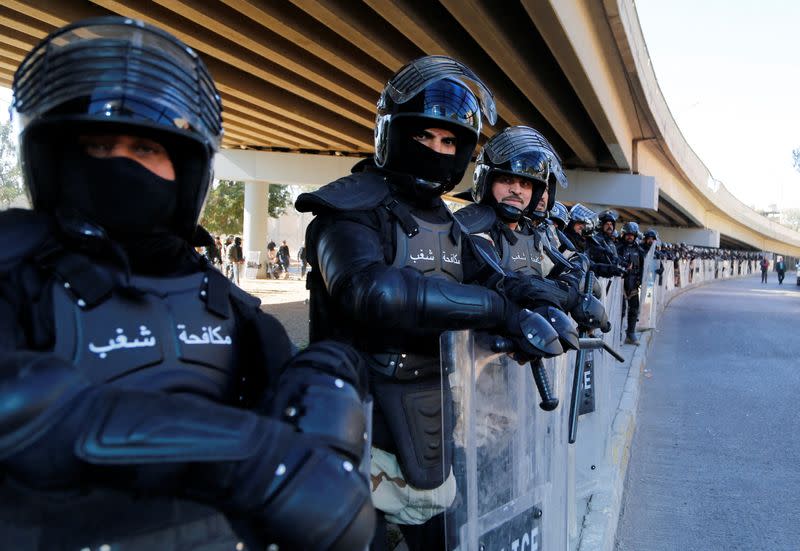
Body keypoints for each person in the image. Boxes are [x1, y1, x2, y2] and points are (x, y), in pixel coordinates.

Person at [0, 17, 374, 550]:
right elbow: (21, 406)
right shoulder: (14, 265)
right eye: (101, 147)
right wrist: (256, 459)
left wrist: (327, 371)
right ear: (55, 158)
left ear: (187, 170)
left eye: (147, 150)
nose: (123, 165)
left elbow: (295, 378)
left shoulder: (214, 293)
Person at [296, 56, 563, 551]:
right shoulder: (347, 209)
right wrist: (497, 309)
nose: (437, 151)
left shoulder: (448, 220)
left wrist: (543, 304)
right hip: (355, 415)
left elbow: (498, 280)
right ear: (394, 134)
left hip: (433, 405)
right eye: (424, 137)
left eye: (450, 142)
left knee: (443, 535)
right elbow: (372, 292)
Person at [455, 125, 609, 338]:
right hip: (479, 353)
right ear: (487, 180)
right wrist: (568, 296)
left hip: (525, 356)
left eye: (525, 183)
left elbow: (571, 261)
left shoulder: (531, 232)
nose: (516, 190)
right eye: (507, 180)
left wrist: (572, 286)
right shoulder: (473, 225)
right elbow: (502, 281)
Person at [617, 221, 645, 344]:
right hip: (619, 286)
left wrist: (640, 280)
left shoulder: (639, 250)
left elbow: (643, 267)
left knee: (634, 310)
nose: (630, 237)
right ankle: (617, 334)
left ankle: (631, 334)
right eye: (627, 234)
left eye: (632, 235)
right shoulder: (617, 248)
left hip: (633, 285)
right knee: (620, 311)